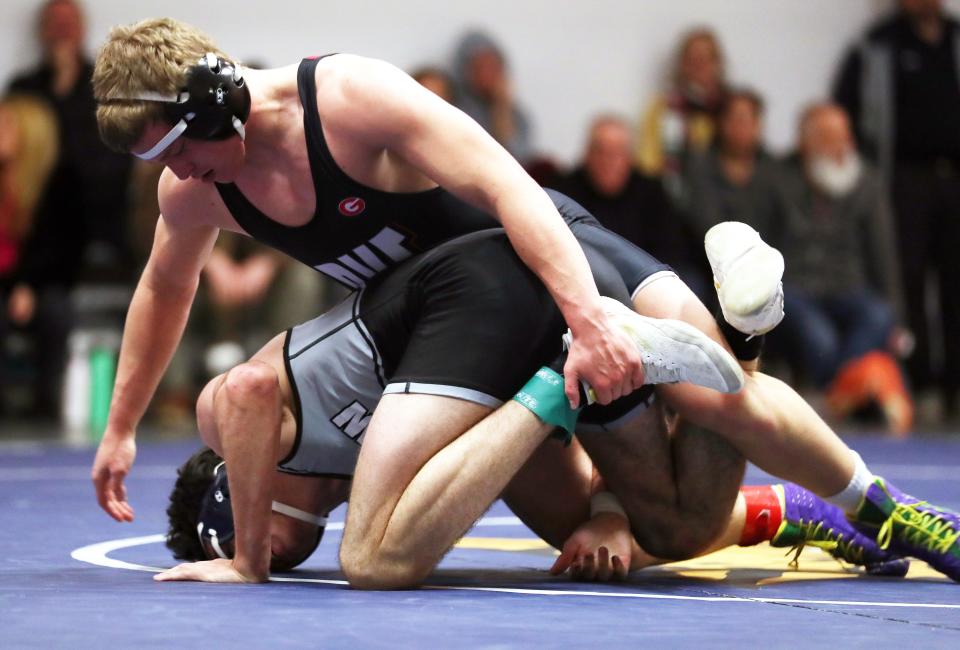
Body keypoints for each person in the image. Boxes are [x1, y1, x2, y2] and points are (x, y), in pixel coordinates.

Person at [89, 18, 960, 583]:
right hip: (465, 337)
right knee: (649, 522)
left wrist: (585, 317)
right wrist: (123, 424)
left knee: (712, 390)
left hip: (546, 253)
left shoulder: (349, 98)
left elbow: (513, 187)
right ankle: (749, 348)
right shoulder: (197, 192)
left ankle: (875, 499)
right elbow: (166, 287)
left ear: (215, 106)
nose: (175, 175)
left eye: (176, 149)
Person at [154, 230, 900, 586]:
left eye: (241, 537)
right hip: (506, 332)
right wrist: (605, 513)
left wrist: (245, 563)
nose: (282, 555)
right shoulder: (364, 472)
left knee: (372, 560)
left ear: (228, 495)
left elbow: (242, 393)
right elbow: (515, 454)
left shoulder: (249, 426)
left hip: (489, 293)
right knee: (668, 527)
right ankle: (744, 336)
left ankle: (561, 376)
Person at [833, 0, 960, 416]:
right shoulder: (878, 45)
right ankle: (919, 381)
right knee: (907, 283)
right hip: (903, 180)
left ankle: (955, 387)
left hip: (953, 177)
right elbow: (848, 111)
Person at [774, 103, 912, 433]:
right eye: (829, 137)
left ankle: (834, 397)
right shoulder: (777, 178)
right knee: (818, 336)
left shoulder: (867, 183)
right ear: (805, 142)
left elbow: (883, 254)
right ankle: (858, 393)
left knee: (879, 315)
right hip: (794, 285)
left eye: (845, 137)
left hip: (848, 285)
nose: (841, 146)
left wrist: (900, 320)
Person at [8, 0, 133, 279]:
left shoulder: (106, 86)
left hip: (97, 209)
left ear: (81, 30)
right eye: (54, 25)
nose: (61, 33)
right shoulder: (23, 89)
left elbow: (113, 153)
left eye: (68, 25)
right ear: (42, 32)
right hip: (38, 214)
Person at [556, 114, 706, 301]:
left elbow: (671, 248)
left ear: (630, 157)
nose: (609, 161)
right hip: (586, 287)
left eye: (618, 153)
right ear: (587, 154)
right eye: (601, 151)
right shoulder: (564, 192)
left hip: (647, 285)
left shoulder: (652, 191)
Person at [636, 27, 730, 197]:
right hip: (670, 196)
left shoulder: (730, 108)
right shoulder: (662, 108)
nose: (698, 65)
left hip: (722, 196)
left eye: (704, 58)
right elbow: (647, 163)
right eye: (691, 59)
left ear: (717, 63)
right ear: (681, 64)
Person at [452, 30, 533, 164]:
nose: (486, 75)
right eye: (479, 67)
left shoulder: (517, 116)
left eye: (492, 66)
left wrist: (501, 108)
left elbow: (516, 160)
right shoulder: (453, 108)